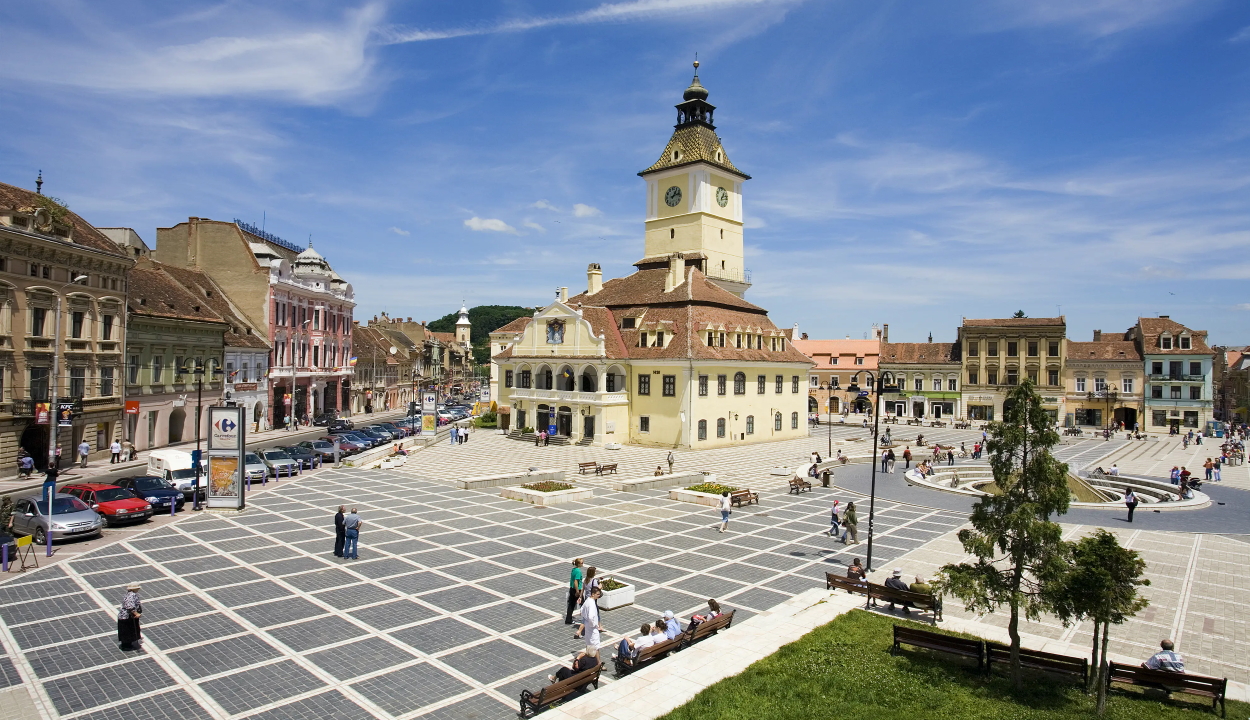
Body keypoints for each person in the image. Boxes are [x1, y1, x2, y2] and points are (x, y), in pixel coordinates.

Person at [117, 584, 143, 650]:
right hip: (127, 617)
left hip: (127, 616)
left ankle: (128, 644)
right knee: (127, 631)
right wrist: (136, 613)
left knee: (128, 630)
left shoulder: (129, 594)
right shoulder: (132, 595)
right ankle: (127, 645)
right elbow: (130, 606)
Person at [579, 587, 603, 656]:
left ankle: (589, 658)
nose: (599, 596)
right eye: (597, 594)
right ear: (593, 594)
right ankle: (598, 663)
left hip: (587, 625)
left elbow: (581, 610)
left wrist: (585, 619)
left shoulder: (587, 600)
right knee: (596, 645)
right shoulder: (592, 603)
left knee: (588, 643)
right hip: (592, 628)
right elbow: (590, 616)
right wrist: (593, 624)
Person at [565, 558, 584, 625]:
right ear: (578, 564)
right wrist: (577, 591)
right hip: (576, 589)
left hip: (572, 588)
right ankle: (586, 618)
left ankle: (568, 619)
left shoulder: (574, 569)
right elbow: (576, 581)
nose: (583, 564)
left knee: (571, 604)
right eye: (582, 563)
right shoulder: (578, 571)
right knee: (583, 604)